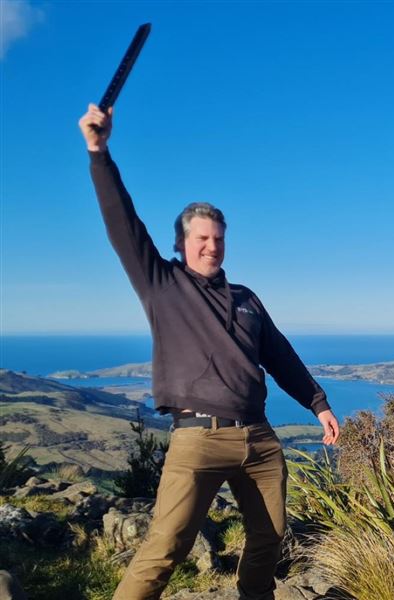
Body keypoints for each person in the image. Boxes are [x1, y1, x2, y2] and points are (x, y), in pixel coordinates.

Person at [78, 104, 340, 600]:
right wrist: (99, 153)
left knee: (269, 537)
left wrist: (319, 404)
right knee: (165, 547)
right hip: (198, 439)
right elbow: (122, 224)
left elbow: (280, 356)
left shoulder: (247, 298)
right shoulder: (162, 284)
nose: (212, 247)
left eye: (218, 239)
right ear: (181, 243)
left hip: (259, 438)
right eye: (201, 239)